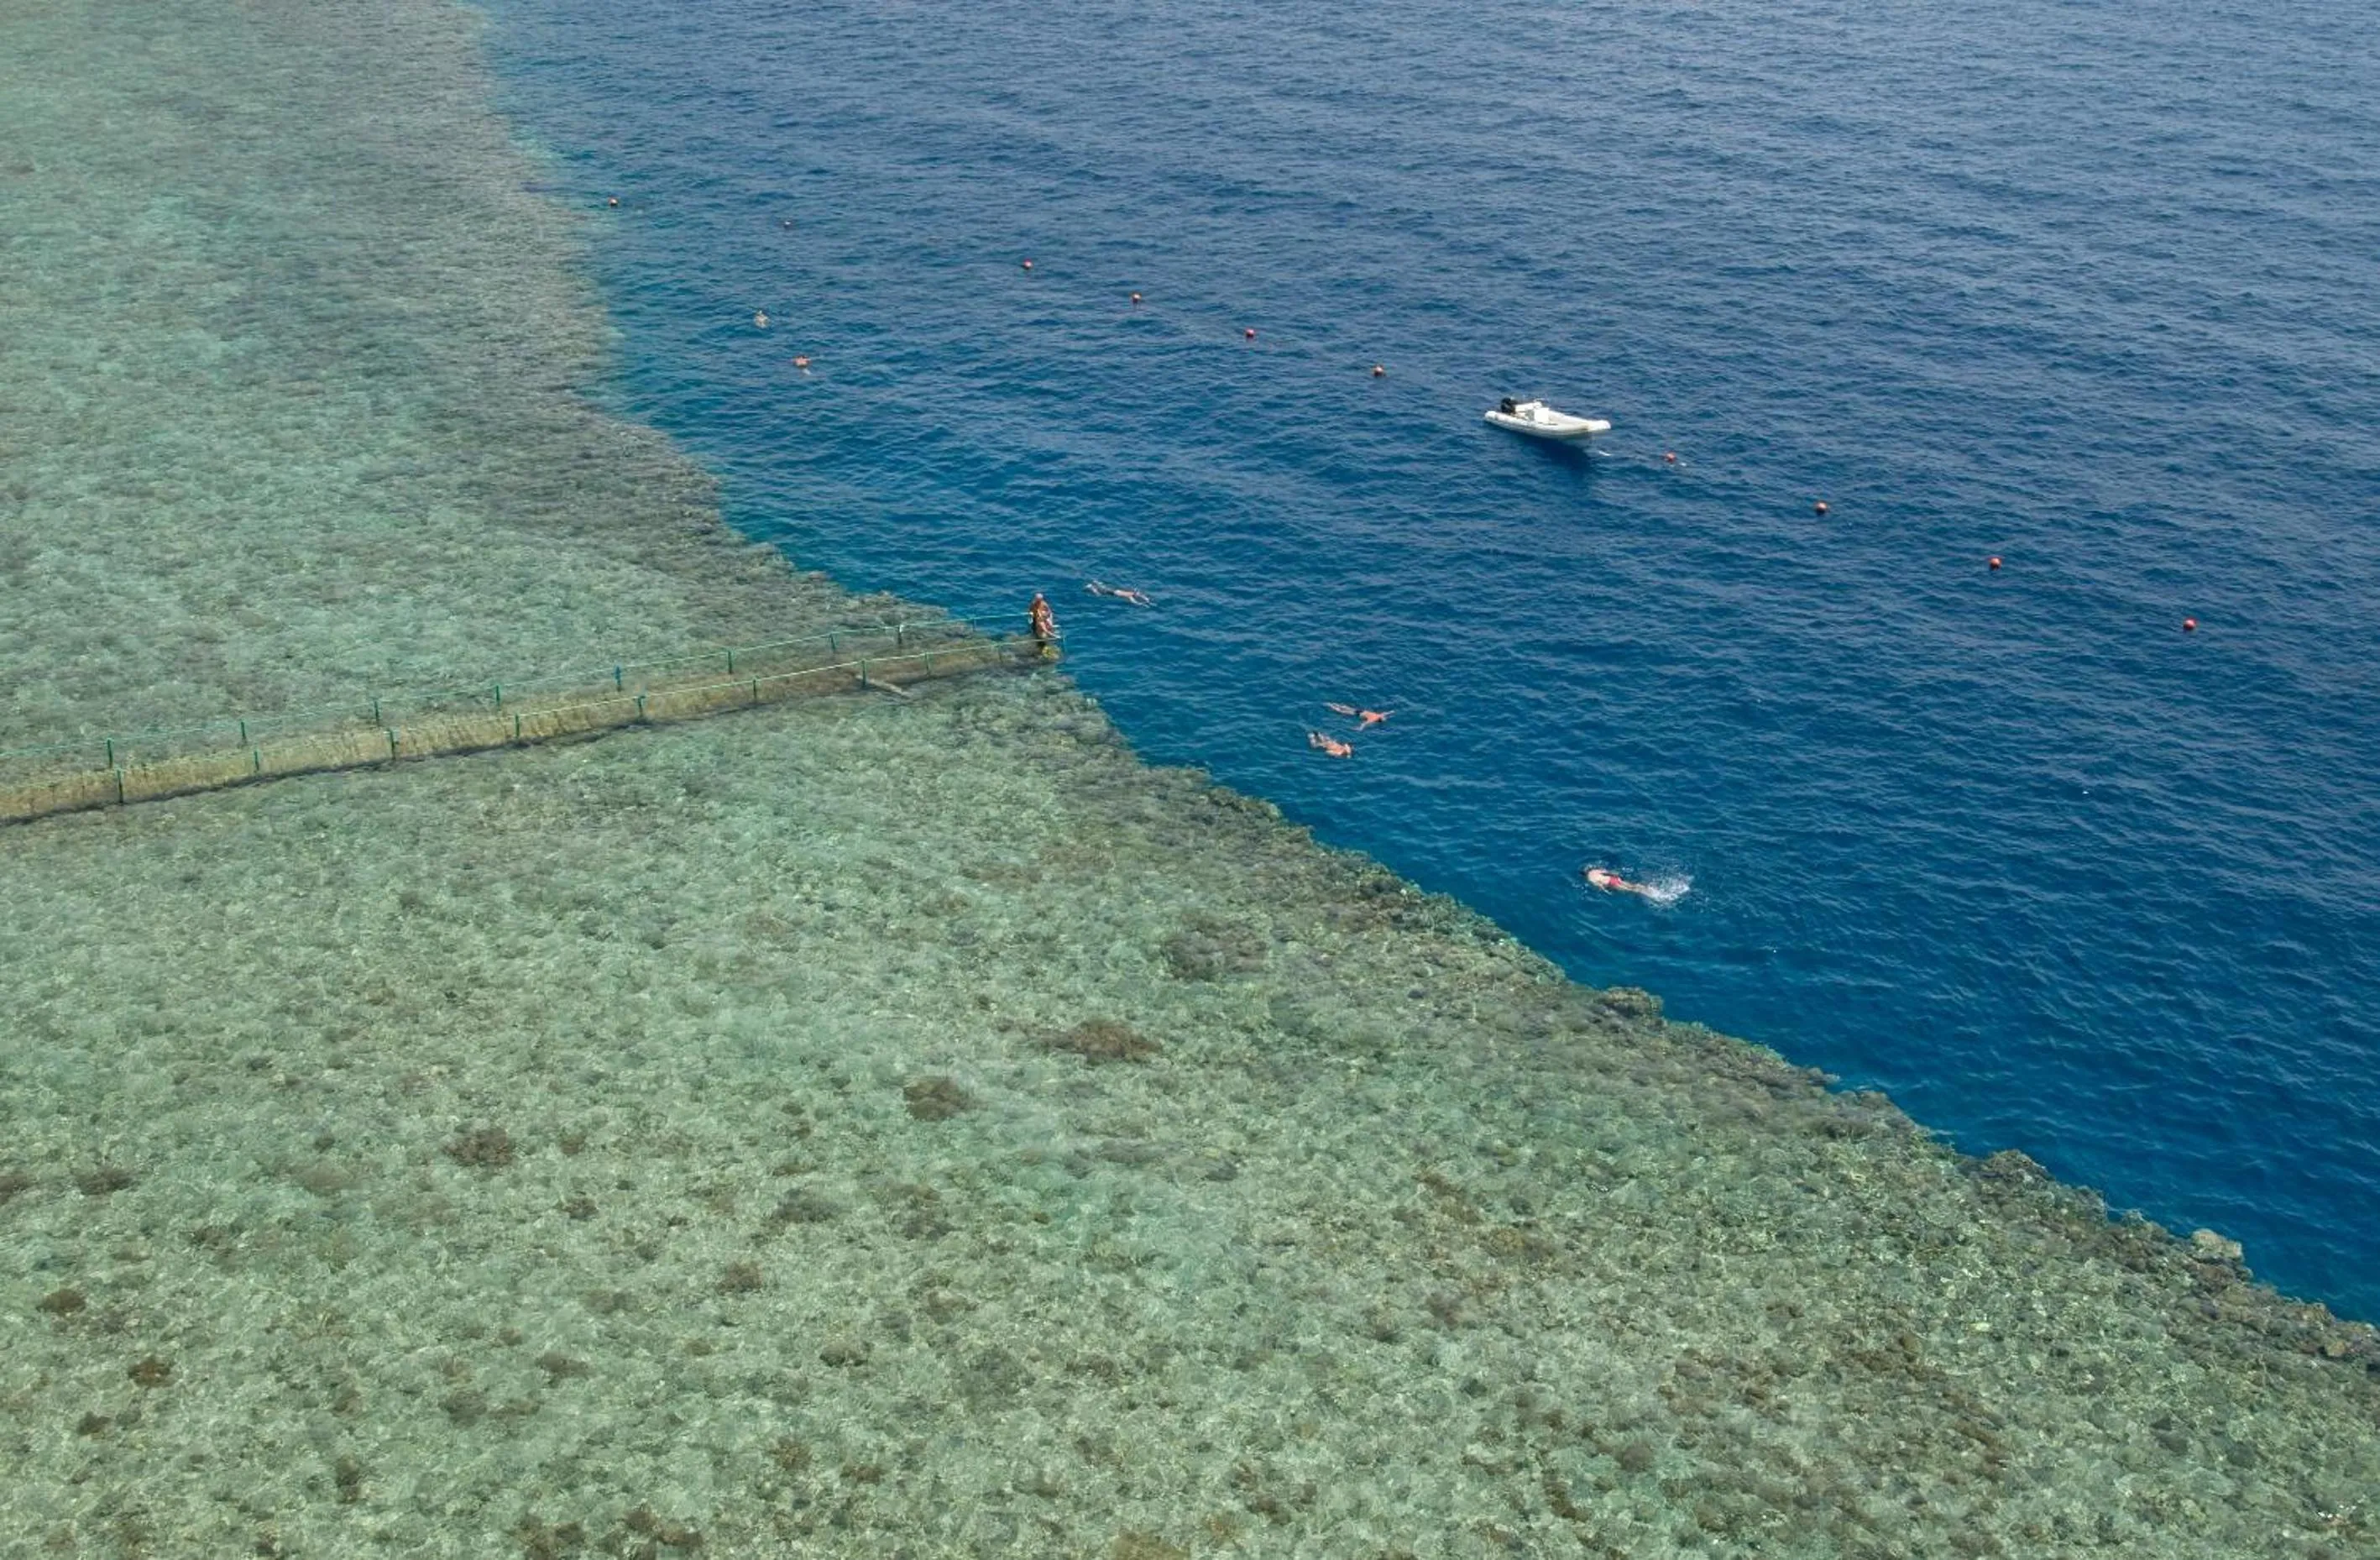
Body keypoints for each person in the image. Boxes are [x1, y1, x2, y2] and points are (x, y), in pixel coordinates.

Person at [1028, 592, 1060, 657]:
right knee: (1040, 637)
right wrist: (1055, 636)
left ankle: (1043, 644)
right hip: (1037, 620)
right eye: (1037, 600)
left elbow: (1049, 612)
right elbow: (1030, 610)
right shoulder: (1033, 604)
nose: (1039, 601)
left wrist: (1050, 621)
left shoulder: (1044, 604)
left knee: (1043, 633)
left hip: (1040, 620)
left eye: (1040, 600)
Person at [1583, 866, 1652, 898]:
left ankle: (1647, 893)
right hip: (1614, 878)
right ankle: (1645, 887)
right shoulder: (1594, 871)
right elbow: (1606, 872)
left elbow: (1599, 885)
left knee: (1630, 890)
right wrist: (1615, 874)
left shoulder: (1590, 879)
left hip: (1611, 883)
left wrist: (1605, 891)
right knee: (1631, 885)